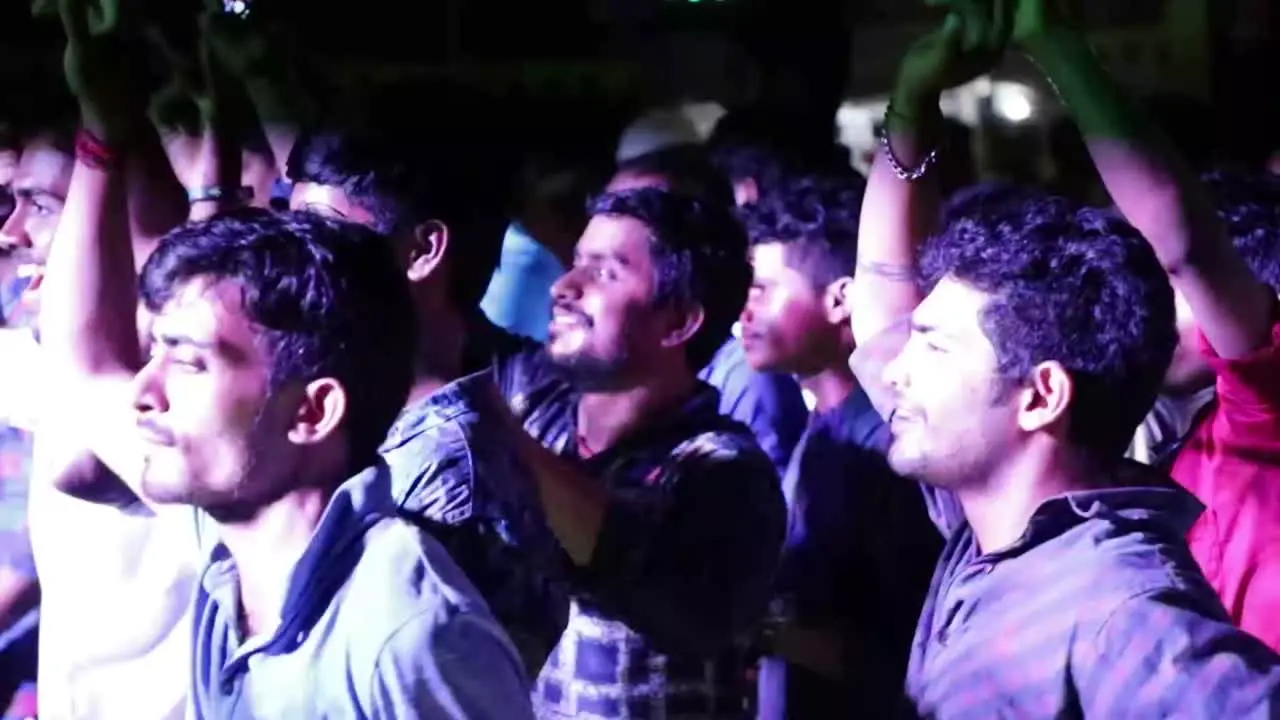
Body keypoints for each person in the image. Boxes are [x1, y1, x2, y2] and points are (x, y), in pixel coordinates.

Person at [849, 6, 1280, 715]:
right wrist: (911, 104)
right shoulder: (1004, 515)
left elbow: (1186, 242)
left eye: (1166, 283)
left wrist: (1053, 44)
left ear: (1043, 395)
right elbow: (887, 310)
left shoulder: (1121, 608)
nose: (1145, 287)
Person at [487, 187, 786, 717]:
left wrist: (495, 430)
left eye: (604, 273)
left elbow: (643, 565)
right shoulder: (534, 401)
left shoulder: (724, 472)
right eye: (575, 264)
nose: (563, 287)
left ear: (680, 322)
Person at [737, 174, 938, 718]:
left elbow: (900, 650)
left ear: (840, 299)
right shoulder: (823, 422)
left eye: (762, 288)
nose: (744, 311)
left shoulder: (887, 447)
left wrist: (756, 624)